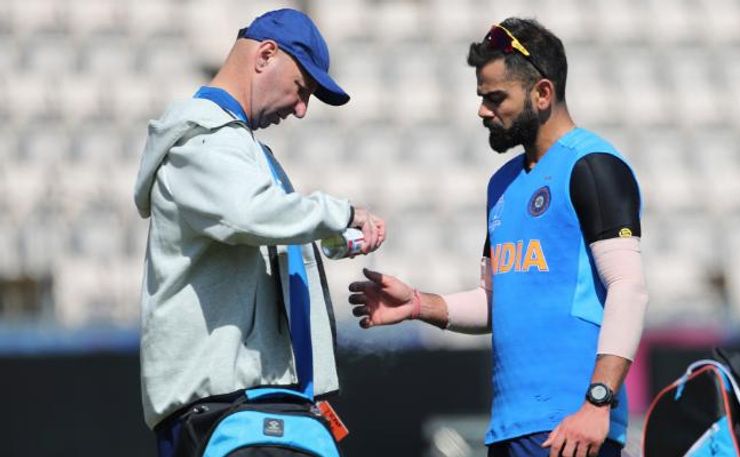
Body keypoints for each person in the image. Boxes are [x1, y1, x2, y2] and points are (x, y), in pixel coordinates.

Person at [348, 17, 648, 457]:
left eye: (496, 98)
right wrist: (418, 304)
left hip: (572, 425)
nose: (483, 111)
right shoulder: (503, 184)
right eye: (481, 97)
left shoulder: (592, 165)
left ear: (542, 93)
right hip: (509, 427)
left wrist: (598, 402)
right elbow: (496, 299)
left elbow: (628, 287)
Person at [133, 8, 385, 456]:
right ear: (265, 55)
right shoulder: (202, 139)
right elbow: (247, 214)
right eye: (301, 89)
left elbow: (257, 226)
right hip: (222, 410)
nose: (301, 109)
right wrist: (340, 213)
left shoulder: (234, 145)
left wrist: (331, 238)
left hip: (253, 407)